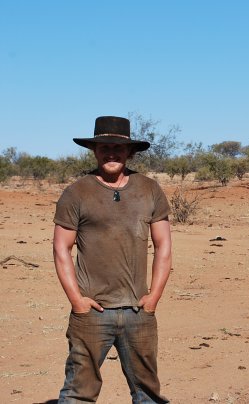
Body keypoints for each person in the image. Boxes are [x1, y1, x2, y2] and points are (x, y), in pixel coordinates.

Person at [53, 116, 172, 403]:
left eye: (118, 148)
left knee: (148, 394)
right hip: (92, 312)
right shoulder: (76, 193)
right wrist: (77, 301)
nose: (111, 153)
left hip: (138, 312)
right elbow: (61, 249)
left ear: (130, 152)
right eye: (104, 147)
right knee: (78, 393)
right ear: (94, 151)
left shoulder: (149, 189)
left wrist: (153, 297)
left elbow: (164, 245)